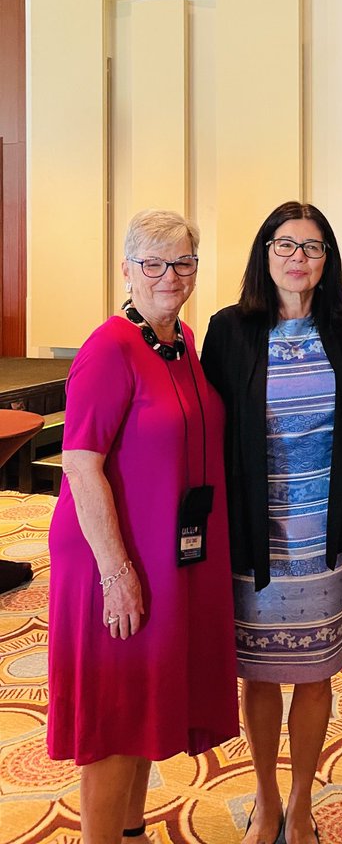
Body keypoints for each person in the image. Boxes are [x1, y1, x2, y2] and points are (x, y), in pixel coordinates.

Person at [47, 209, 238, 844]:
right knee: (115, 712)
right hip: (111, 555)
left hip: (162, 551)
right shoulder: (109, 348)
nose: (168, 275)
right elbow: (80, 465)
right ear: (126, 269)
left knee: (141, 703)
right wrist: (117, 572)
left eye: (182, 262)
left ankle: (131, 832)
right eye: (152, 263)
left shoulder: (181, 342)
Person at [202, 202, 342, 844]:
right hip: (256, 534)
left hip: (323, 533)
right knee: (262, 671)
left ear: (327, 260)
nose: (299, 257)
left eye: (312, 247)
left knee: (317, 671)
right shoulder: (231, 328)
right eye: (286, 245)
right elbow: (209, 428)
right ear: (264, 253)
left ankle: (301, 801)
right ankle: (266, 796)